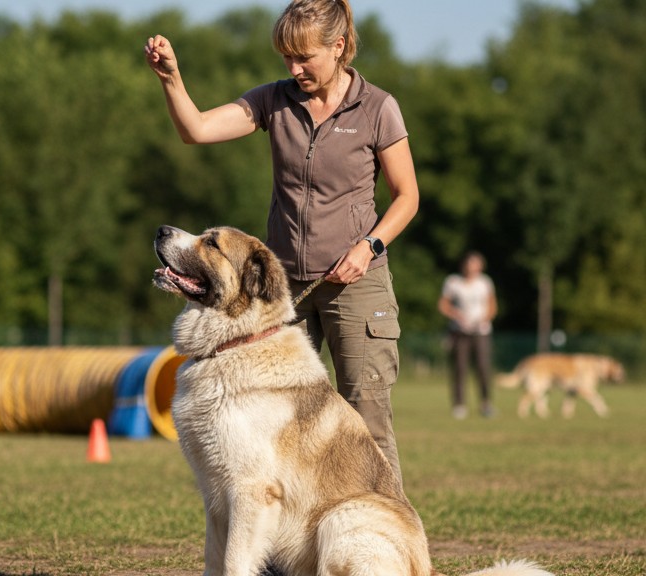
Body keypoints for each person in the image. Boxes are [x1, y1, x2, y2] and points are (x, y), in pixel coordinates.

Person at [145, 0, 419, 485]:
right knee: (278, 424)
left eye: (304, 57)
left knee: (367, 426)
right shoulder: (275, 100)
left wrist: (368, 247)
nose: (294, 69)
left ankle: (391, 548)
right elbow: (198, 130)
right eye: (286, 58)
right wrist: (171, 78)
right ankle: (284, 560)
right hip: (282, 294)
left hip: (357, 287)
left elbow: (407, 197)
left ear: (338, 48)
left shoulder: (378, 108)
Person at [438, 251, 498, 419]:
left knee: (483, 367)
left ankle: (486, 403)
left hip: (481, 331)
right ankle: (459, 405)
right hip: (459, 332)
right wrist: (455, 314)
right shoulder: (453, 282)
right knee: (459, 368)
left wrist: (482, 320)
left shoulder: (485, 282)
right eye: (470, 263)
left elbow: (493, 306)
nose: (473, 267)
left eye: (476, 263)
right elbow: (443, 304)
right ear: (464, 265)